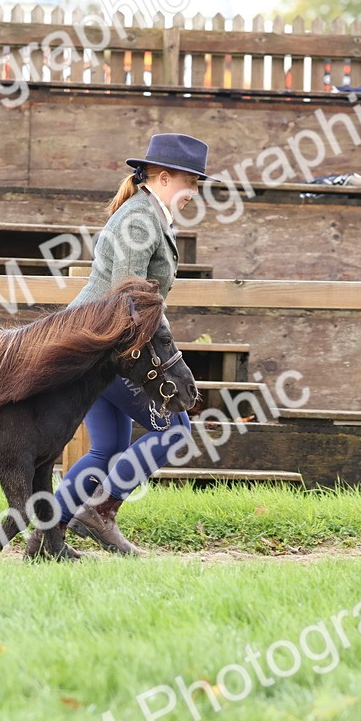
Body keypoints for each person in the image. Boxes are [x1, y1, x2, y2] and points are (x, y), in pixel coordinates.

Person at [50, 133, 212, 556]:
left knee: (109, 447)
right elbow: (128, 300)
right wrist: (164, 362)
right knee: (174, 429)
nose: (194, 192)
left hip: (96, 346)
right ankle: (101, 511)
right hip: (110, 350)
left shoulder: (148, 216)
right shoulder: (140, 221)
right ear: (162, 177)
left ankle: (46, 538)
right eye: (190, 182)